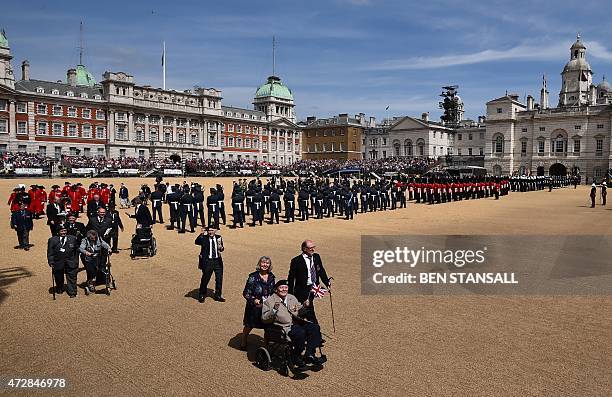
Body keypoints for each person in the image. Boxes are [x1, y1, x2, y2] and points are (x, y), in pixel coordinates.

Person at [261, 280, 323, 366]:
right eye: (281, 287)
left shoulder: (291, 297)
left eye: (286, 287)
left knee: (314, 327)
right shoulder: (270, 301)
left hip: (297, 323)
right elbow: (264, 318)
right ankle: (296, 355)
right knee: (300, 332)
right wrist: (274, 310)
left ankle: (309, 354)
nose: (284, 289)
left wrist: (304, 306)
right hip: (284, 327)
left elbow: (299, 311)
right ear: (276, 290)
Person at [288, 240, 331, 323]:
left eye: (313, 247)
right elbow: (291, 278)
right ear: (304, 249)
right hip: (302, 289)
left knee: (308, 307)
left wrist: (327, 282)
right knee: (306, 308)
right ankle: (314, 326)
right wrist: (290, 294)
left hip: (314, 287)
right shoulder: (296, 261)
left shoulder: (316, 257)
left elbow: (321, 270)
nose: (313, 249)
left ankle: (305, 324)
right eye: (310, 248)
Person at [240, 256, 276, 350]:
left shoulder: (272, 277)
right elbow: (246, 293)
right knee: (249, 325)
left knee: (267, 326)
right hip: (254, 306)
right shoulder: (253, 276)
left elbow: (273, 292)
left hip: (267, 306)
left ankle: (266, 346)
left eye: (267, 263)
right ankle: (243, 341)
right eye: (263, 262)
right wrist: (253, 300)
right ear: (259, 264)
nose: (265, 265)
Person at [47, 225, 79, 298]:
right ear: (58, 232)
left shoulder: (73, 238)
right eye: (62, 231)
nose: (64, 232)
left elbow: (76, 250)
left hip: (70, 261)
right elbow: (50, 252)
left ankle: (72, 292)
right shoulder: (52, 240)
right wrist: (51, 261)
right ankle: (60, 288)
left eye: (65, 231)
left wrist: (76, 260)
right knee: (58, 276)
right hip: (58, 261)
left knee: (72, 277)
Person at [195, 226, 225, 303]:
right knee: (205, 278)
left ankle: (218, 295)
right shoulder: (204, 238)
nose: (210, 232)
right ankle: (202, 294)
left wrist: (221, 248)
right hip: (208, 261)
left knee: (219, 279)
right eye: (209, 230)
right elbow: (197, 242)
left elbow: (221, 248)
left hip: (218, 261)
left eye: (212, 230)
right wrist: (201, 234)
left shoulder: (219, 237)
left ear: (215, 230)